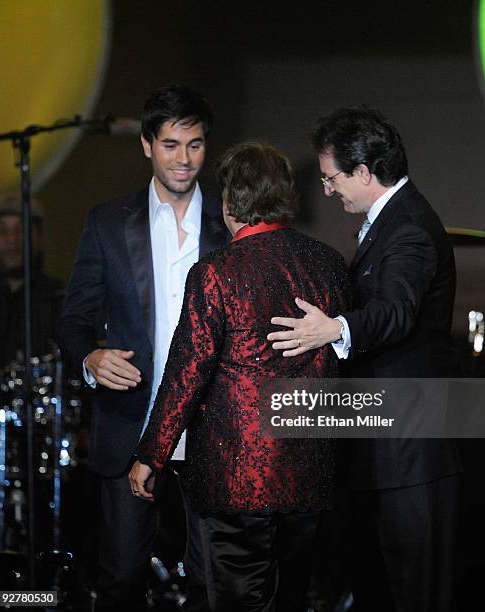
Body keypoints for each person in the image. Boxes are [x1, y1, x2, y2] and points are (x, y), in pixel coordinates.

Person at [129, 142, 350, 612]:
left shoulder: (215, 272)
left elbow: (187, 373)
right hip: (310, 473)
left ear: (231, 201)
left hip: (237, 476)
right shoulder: (329, 264)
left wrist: (152, 453)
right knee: (292, 599)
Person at [267, 107, 461, 612]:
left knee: (413, 592)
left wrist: (335, 328)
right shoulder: (391, 221)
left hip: (410, 452)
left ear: (363, 173)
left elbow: (395, 311)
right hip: (387, 446)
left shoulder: (410, 227)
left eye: (332, 179)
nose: (328, 191)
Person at [57, 85, 228, 611]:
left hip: (212, 428)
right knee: (121, 582)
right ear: (147, 145)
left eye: (195, 145)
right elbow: (74, 320)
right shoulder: (108, 222)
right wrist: (90, 358)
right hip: (131, 423)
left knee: (213, 585)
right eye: (172, 144)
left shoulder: (230, 222)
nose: (184, 158)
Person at [0, 192, 63, 375]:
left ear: (40, 238)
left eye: (22, 229)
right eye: (1, 230)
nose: (12, 239)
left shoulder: (60, 298)